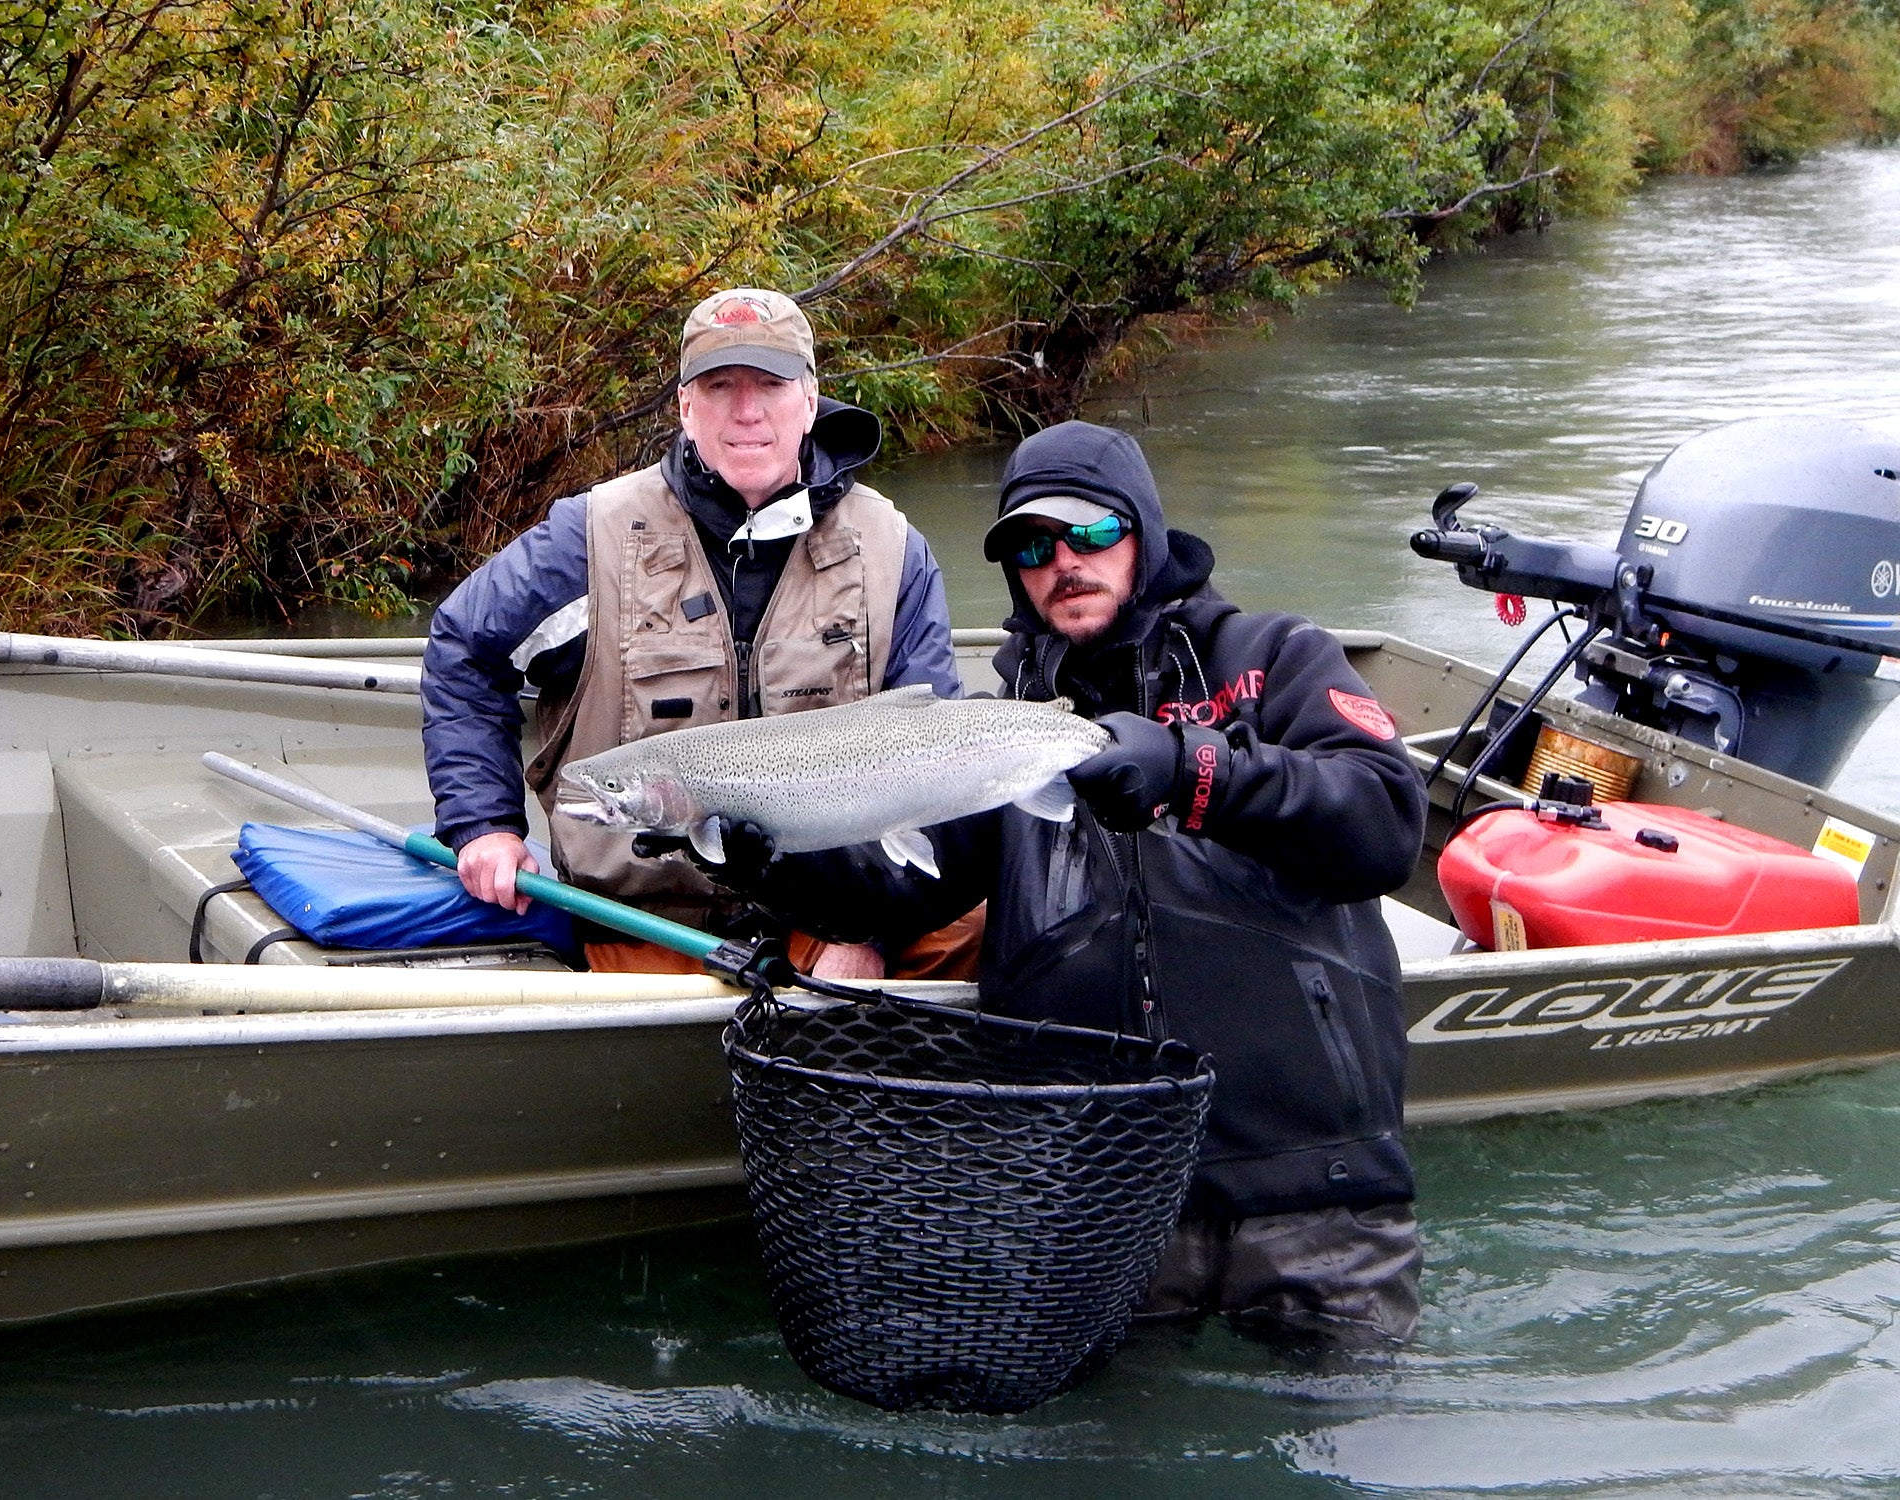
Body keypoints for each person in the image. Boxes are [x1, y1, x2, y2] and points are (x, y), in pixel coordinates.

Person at [712, 419, 1430, 1343]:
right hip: (1097, 1200)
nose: (1063, 562)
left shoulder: (1275, 659)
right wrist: (765, 854)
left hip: (1319, 1198)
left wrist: (1189, 766)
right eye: (1031, 545)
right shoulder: (999, 729)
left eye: (1091, 533)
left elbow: (1383, 825)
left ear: (1146, 534)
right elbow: (890, 897)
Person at [420, 287, 967, 976]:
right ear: (684, 407)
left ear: (809, 399)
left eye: (769, 385)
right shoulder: (589, 538)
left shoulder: (891, 547)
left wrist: (867, 939)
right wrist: (484, 827)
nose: (746, 411)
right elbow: (465, 652)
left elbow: (934, 753)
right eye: (719, 386)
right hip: (648, 922)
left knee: (988, 926)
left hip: (835, 906)